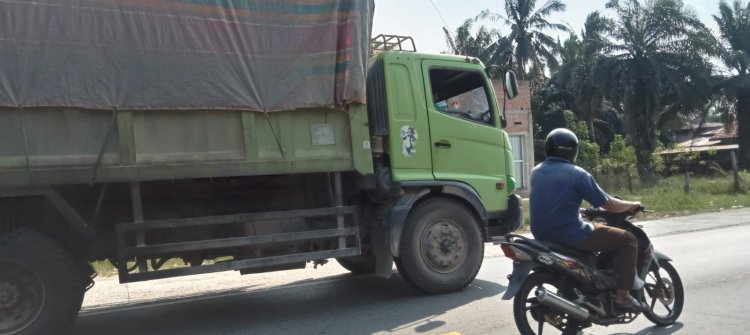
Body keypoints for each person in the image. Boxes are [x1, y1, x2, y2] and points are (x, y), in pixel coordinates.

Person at [529, 128, 643, 310]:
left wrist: (578, 209)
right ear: (573, 151)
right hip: (571, 234)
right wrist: (631, 204)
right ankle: (623, 295)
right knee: (628, 240)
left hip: (542, 234)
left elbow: (553, 199)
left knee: (597, 230)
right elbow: (609, 205)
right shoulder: (577, 174)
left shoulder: (536, 171)